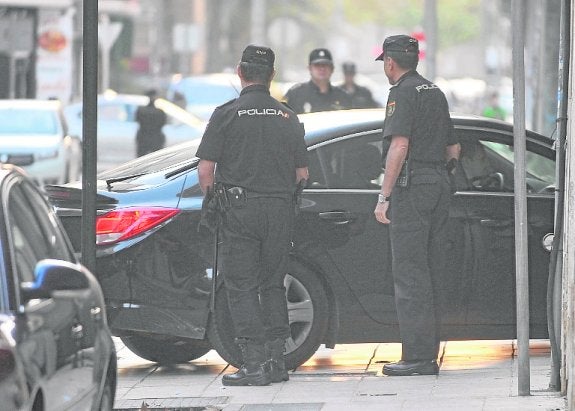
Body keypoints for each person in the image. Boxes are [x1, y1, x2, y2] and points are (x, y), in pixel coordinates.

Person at [196, 44, 309, 386]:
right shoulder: (288, 116)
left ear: (240, 72)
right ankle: (277, 361)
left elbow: (205, 170)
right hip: (279, 210)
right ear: (271, 75)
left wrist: (217, 201)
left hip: (240, 210)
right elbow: (302, 173)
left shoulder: (226, 113)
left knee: (241, 286)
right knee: (273, 283)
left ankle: (254, 364)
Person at [373, 35, 461, 376]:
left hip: (413, 189)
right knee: (431, 270)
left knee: (410, 275)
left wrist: (385, 196)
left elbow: (399, 145)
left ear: (390, 63)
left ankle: (418, 358)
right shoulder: (433, 91)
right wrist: (440, 176)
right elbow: (454, 148)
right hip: (438, 184)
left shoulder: (402, 93)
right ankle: (428, 351)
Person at [283, 48, 351, 114]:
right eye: (317, 65)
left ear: (332, 69)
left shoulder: (343, 96)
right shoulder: (295, 94)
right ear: (309, 68)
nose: (322, 69)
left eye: (325, 65)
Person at [135, 89, 167, 156]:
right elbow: (162, 123)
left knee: (141, 159)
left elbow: (137, 120)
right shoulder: (160, 112)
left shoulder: (141, 110)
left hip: (143, 137)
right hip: (155, 138)